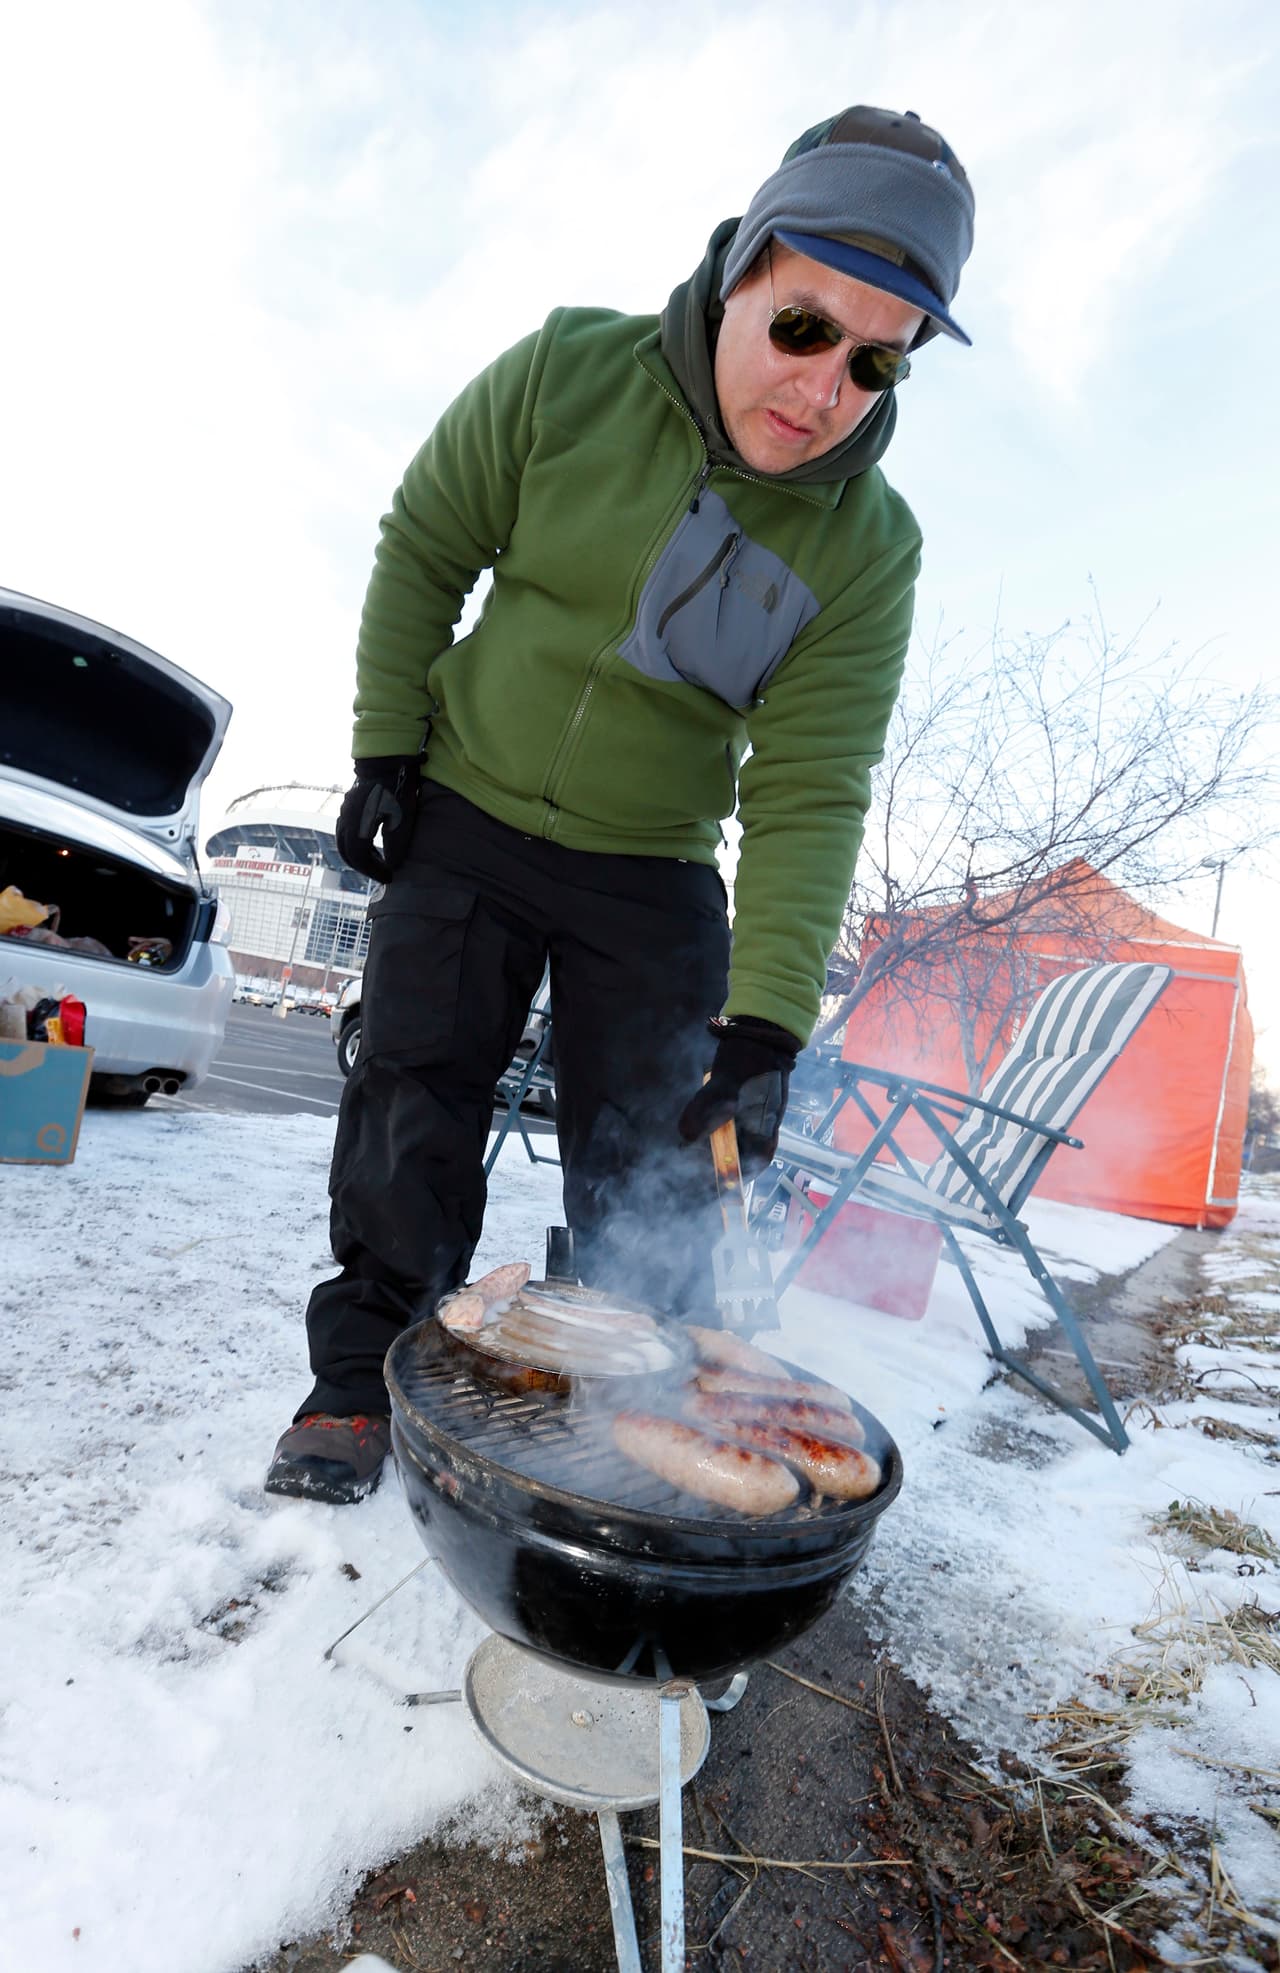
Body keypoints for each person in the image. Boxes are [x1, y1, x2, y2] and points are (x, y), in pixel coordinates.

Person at [266, 104, 975, 1504]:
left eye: (876, 359)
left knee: (659, 1167)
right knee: (415, 1094)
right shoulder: (565, 373)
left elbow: (812, 786)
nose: (828, 385)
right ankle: (359, 1379)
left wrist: (767, 1018)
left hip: (650, 864)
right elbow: (426, 544)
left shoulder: (870, 550)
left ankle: (616, 1421)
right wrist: (384, 752)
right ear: (744, 270)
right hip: (469, 799)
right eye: (803, 326)